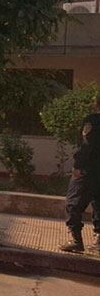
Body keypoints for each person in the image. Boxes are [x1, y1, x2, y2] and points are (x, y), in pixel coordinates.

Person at [59, 93, 100, 253]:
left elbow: (87, 145)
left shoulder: (93, 121)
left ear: (96, 104)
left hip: (88, 171)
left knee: (73, 203)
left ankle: (76, 240)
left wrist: (78, 166)